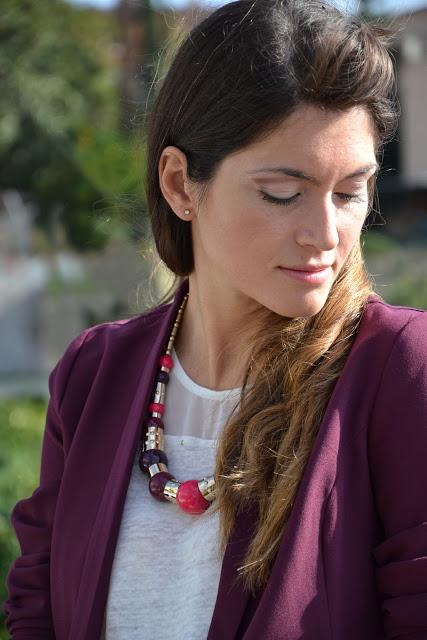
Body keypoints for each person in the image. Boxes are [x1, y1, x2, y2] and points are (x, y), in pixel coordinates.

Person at [4, 0, 427, 638]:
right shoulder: (94, 375)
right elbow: (38, 611)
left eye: (349, 193)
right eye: (282, 193)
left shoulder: (400, 371)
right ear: (180, 185)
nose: (326, 235)